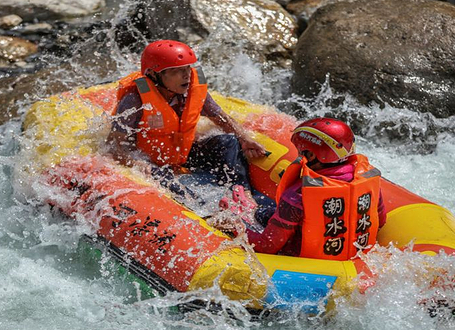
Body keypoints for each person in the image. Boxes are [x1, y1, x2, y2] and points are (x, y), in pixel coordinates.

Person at [106, 40, 266, 197]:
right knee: (161, 176)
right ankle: (205, 213)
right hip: (150, 161)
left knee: (228, 142)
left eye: (188, 68)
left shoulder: (191, 89)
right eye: (176, 71)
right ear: (154, 74)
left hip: (183, 154)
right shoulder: (134, 99)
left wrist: (244, 139)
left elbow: (221, 118)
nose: (186, 75)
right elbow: (113, 146)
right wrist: (136, 163)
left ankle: (242, 194)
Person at [243, 118, 387, 260]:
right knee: (263, 212)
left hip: (306, 262)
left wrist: (237, 229)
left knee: (250, 217)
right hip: (354, 258)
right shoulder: (366, 179)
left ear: (311, 155)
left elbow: (267, 246)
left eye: (301, 152)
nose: (298, 156)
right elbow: (380, 220)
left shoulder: (297, 195)